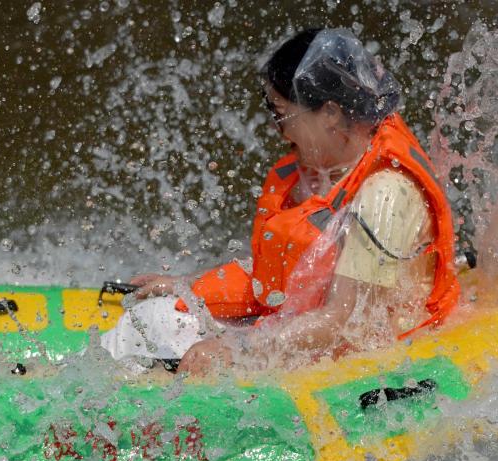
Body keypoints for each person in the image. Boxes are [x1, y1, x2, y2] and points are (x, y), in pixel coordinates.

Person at [102, 28, 460, 374]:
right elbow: (296, 269)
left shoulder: (386, 195)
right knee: (153, 320)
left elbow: (342, 322)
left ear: (331, 113)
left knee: (153, 332)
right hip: (310, 333)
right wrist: (186, 286)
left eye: (280, 114)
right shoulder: (329, 170)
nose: (280, 130)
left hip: (365, 359)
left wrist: (237, 350)